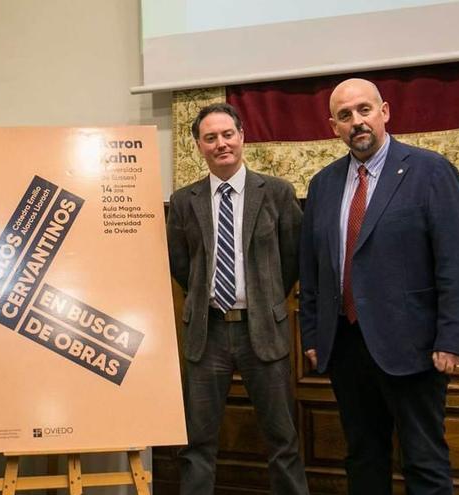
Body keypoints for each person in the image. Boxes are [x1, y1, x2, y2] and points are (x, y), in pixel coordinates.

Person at [299, 78, 459, 494]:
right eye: (345, 115)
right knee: (363, 459)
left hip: (413, 348)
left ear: (385, 112)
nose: (356, 122)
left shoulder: (430, 170)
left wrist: (452, 338)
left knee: (424, 462)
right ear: (333, 126)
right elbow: (311, 269)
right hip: (345, 346)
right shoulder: (323, 184)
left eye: (364, 110)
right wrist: (313, 333)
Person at [167, 103, 308, 495]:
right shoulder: (184, 201)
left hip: (262, 331)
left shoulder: (277, 193)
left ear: (242, 136)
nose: (221, 144)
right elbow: (181, 264)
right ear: (198, 145)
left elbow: (293, 258)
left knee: (283, 441)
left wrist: (264, 299)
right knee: (196, 445)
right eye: (210, 137)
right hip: (207, 334)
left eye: (227, 134)